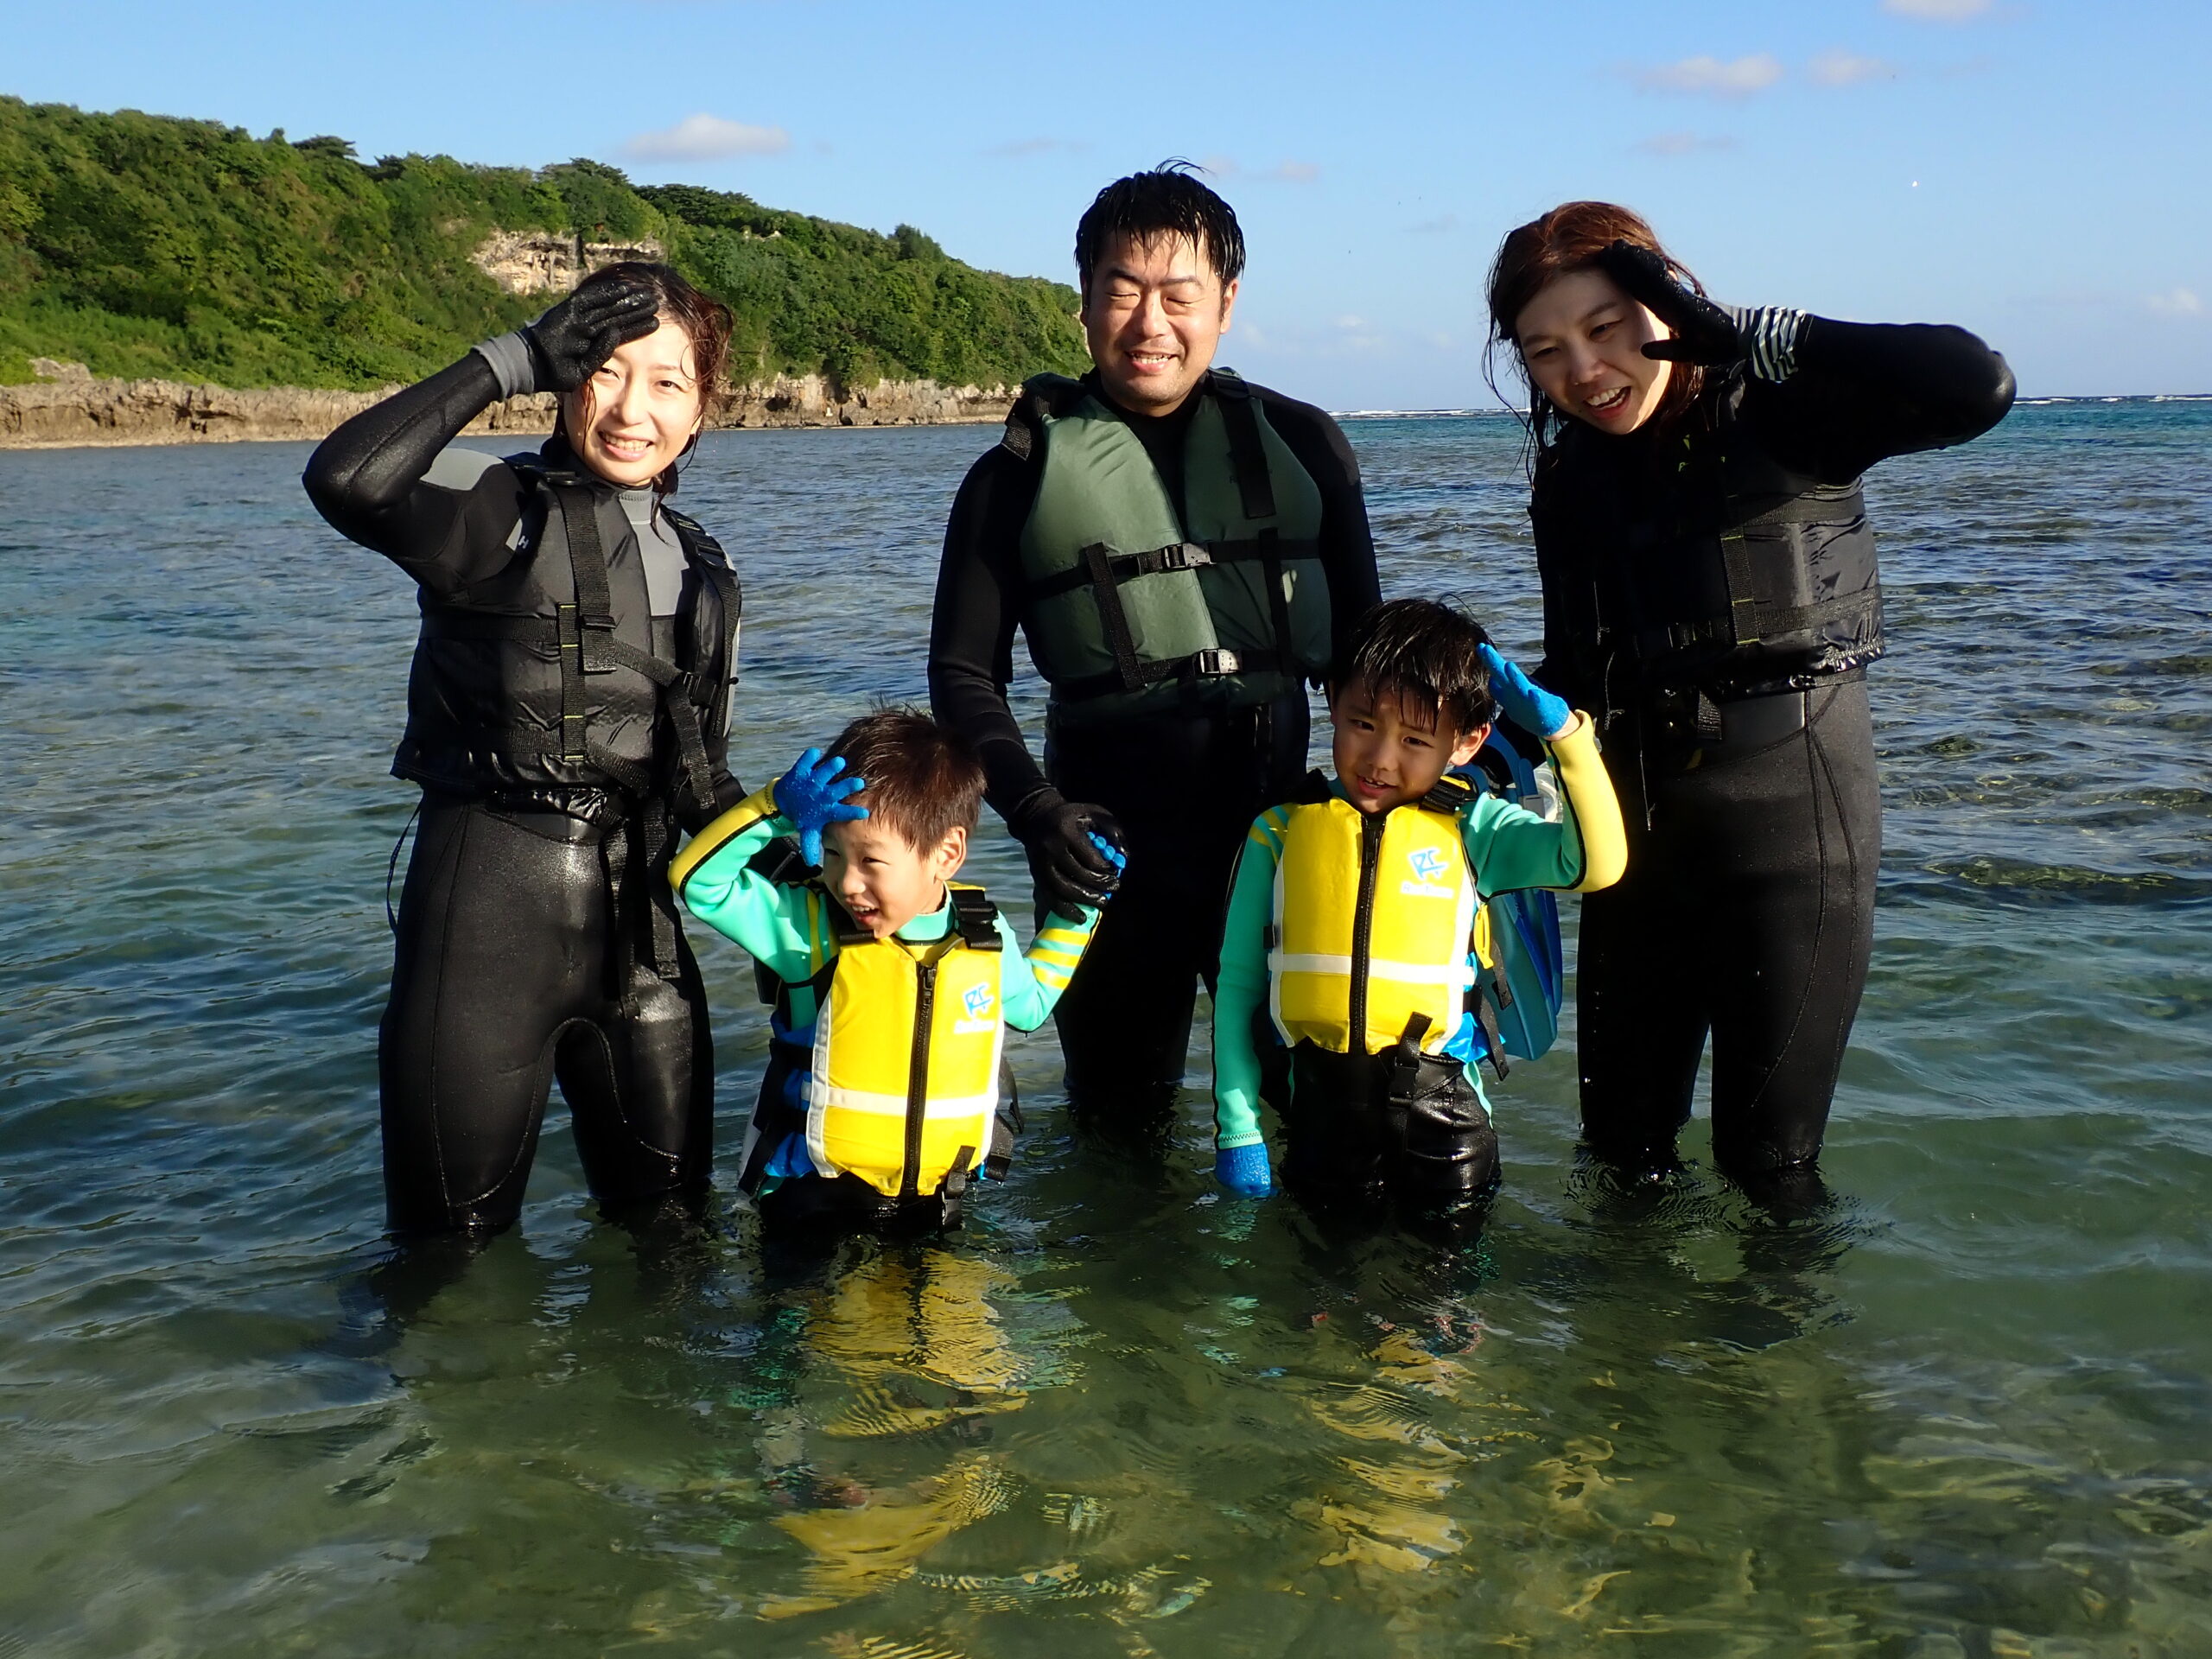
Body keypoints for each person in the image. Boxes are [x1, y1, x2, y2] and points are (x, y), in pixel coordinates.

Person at [1484, 201, 2014, 1200]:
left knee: (1766, 1169)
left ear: (1661, 302)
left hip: (1791, 838)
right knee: (1621, 1160)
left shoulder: (1781, 413)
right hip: (1631, 852)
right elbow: (1577, 677)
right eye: (1544, 351)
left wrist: (1770, 335)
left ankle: (1775, 1361)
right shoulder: (1571, 476)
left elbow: (1978, 384)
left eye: (1604, 331)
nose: (1583, 374)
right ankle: (1621, 1360)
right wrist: (1466, 746)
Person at [928, 162, 1382, 1127]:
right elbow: (963, 675)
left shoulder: (1304, 443)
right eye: (1122, 292)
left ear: (1226, 302)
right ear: (1084, 303)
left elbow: (1371, 661)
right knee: (1117, 1137)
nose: (1151, 323)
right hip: (1102, 852)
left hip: (1275, 843)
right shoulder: (1011, 476)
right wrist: (1037, 814)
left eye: (1179, 295)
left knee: (1312, 1120)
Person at [303, 263, 745, 1239]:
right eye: (603, 371)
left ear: (704, 406)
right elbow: (345, 479)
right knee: (447, 1258)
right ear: (566, 377)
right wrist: (512, 359)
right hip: (487, 921)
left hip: (647, 938)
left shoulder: (704, 563)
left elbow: (697, 775)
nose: (633, 410)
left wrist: (816, 860)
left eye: (669, 383)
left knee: (675, 1235)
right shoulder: (495, 507)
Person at [1210, 599, 1625, 1216]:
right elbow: (1239, 987)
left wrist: (1566, 741)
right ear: (1331, 702)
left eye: (1414, 739)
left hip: (1447, 1125)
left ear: (1467, 742)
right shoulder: (1279, 831)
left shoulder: (1474, 828)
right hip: (1322, 1121)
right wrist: (1238, 1126)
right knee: (1317, 1299)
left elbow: (1595, 864)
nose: (1380, 759)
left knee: (1446, 1306)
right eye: (1362, 724)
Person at [670, 709, 1109, 1233]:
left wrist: (1083, 907)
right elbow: (697, 881)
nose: (846, 882)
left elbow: (1031, 1003)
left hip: (936, 1204)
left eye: (870, 862)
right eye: (831, 854)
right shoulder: (809, 929)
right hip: (812, 1211)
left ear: (946, 853)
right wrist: (774, 810)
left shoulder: (983, 936)